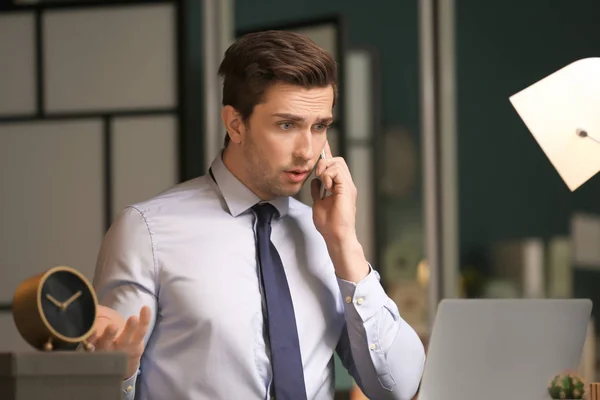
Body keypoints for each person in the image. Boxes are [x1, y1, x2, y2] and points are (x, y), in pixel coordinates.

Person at [88, 30, 425, 400]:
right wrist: (118, 376)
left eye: (319, 127)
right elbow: (99, 387)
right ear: (235, 124)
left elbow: (398, 388)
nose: (306, 151)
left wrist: (345, 243)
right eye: (286, 125)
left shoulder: (324, 237)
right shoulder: (146, 232)